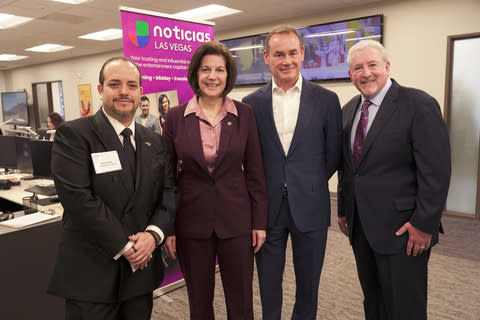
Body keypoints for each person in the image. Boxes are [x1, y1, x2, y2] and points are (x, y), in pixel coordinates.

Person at [47, 56, 179, 320]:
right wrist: (126, 247)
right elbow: (78, 199)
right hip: (92, 273)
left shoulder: (154, 141)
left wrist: (152, 237)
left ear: (141, 91)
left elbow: (169, 192)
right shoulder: (74, 134)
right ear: (100, 90)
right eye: (114, 84)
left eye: (132, 85)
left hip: (140, 273)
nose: (124, 92)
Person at [337, 40, 451, 320]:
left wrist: (424, 224)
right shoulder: (350, 109)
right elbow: (348, 166)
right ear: (350, 74)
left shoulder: (418, 104)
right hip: (361, 226)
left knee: (405, 307)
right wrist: (343, 209)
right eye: (357, 68)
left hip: (405, 230)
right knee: (373, 302)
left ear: (387, 67)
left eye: (372, 65)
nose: (366, 73)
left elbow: (436, 172)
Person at [242, 26, 342, 320]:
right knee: (268, 285)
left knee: (308, 286)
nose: (286, 60)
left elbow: (333, 154)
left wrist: (305, 183)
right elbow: (250, 157)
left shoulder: (326, 100)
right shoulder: (251, 104)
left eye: (292, 53)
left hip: (311, 206)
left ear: (302, 54)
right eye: (278, 54)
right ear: (266, 57)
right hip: (266, 210)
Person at [163, 41, 268, 320]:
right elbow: (167, 178)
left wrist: (259, 222)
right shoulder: (174, 117)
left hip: (236, 220)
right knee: (199, 301)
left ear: (228, 75)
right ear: (196, 74)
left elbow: (255, 172)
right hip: (191, 222)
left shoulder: (244, 114)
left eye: (219, 70)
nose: (212, 76)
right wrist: (169, 227)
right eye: (206, 69)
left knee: (241, 299)